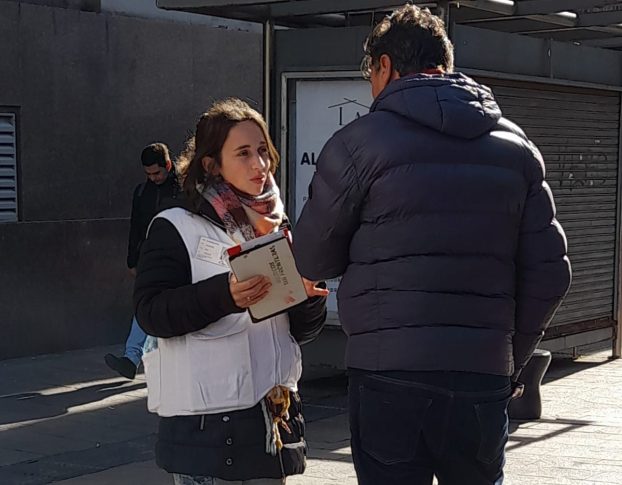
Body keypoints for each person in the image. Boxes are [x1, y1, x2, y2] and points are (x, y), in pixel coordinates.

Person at [293, 5, 571, 485]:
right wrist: (508, 359)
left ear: (384, 66)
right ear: (447, 62)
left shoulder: (358, 143)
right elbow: (551, 274)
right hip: (481, 377)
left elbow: (313, 259)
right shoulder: (516, 146)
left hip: (387, 373)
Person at [134, 98, 328, 484]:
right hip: (207, 436)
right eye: (243, 153)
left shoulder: (276, 225)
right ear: (211, 164)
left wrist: (305, 297)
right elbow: (151, 312)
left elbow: (299, 333)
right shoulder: (175, 225)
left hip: (272, 426)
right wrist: (226, 294)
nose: (260, 164)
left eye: (262, 151)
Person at [105, 143, 179, 380]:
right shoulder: (142, 192)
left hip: (176, 259)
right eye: (148, 174)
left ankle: (146, 360)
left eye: (157, 173)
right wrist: (132, 260)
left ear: (168, 165)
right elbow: (135, 227)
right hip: (149, 258)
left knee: (163, 311)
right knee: (144, 306)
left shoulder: (182, 189)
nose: (153, 178)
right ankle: (131, 358)